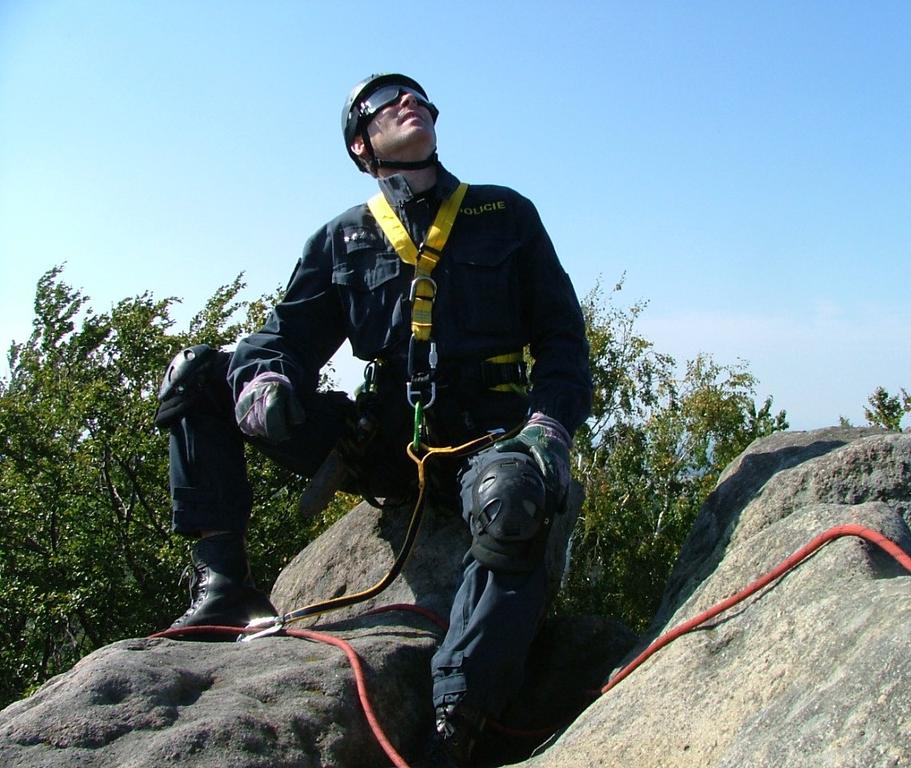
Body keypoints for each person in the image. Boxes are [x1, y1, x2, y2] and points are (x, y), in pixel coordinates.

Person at [155, 72, 592, 767]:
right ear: (362, 145)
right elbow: (281, 341)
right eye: (384, 104)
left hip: (487, 446)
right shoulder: (343, 238)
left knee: (511, 504)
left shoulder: (504, 214)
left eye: (416, 95)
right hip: (386, 446)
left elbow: (564, 341)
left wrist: (548, 429)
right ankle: (221, 587)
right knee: (196, 376)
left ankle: (456, 719)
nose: (407, 102)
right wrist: (264, 382)